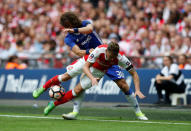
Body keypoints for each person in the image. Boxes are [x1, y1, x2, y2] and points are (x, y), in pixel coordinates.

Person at [33, 12, 146, 120]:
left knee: (123, 85)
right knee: (67, 78)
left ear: (73, 21)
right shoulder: (69, 38)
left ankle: (139, 112)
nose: (69, 27)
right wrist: (89, 52)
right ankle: (46, 91)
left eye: (70, 25)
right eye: (67, 26)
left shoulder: (85, 24)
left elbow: (90, 29)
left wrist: (75, 30)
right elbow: (77, 52)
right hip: (91, 58)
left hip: (107, 59)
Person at [43, 42, 148, 120]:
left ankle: (139, 113)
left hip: (110, 68)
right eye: (110, 56)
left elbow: (134, 73)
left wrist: (137, 90)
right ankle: (58, 106)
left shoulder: (120, 58)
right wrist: (92, 78)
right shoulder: (99, 50)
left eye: (113, 57)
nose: (111, 58)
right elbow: (86, 66)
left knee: (124, 85)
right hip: (95, 68)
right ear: (106, 51)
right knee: (78, 89)